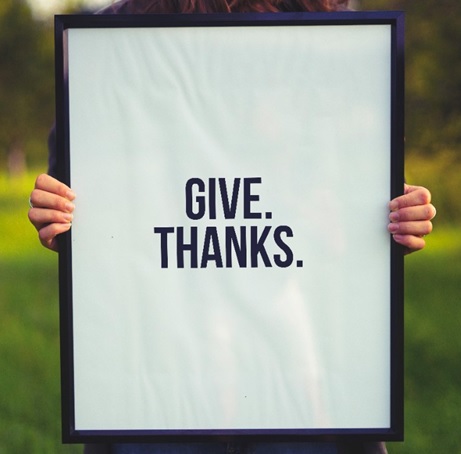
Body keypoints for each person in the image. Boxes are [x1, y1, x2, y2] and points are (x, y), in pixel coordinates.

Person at [28, 1, 437, 453]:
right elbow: (82, 201)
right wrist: (57, 217)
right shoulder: (111, 42)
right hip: (159, 360)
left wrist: (391, 220)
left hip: (292, 329)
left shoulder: (328, 31)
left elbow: (344, 193)